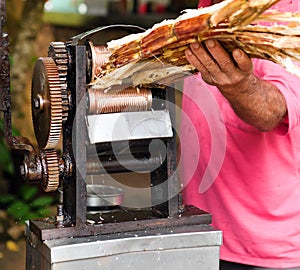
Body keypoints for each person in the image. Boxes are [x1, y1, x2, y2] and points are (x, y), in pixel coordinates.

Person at [180, 0, 300, 269]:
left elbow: (272, 111)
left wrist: (240, 87)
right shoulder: (206, 10)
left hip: (268, 252)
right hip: (200, 233)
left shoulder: (290, 16)